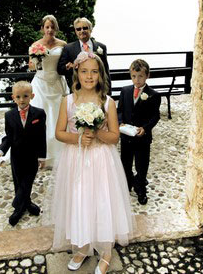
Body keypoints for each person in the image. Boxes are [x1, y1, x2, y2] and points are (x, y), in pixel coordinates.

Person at [51, 51, 133, 274]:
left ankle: (106, 251)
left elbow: (114, 136)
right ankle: (83, 247)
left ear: (100, 74)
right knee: (80, 201)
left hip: (101, 159)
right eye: (84, 71)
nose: (89, 76)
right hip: (75, 159)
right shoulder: (67, 101)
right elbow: (59, 133)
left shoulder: (108, 103)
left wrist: (96, 133)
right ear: (76, 73)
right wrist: (78, 137)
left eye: (94, 72)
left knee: (101, 201)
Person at [0, 81, 47, 226]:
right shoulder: (9, 115)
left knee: (27, 181)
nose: (22, 100)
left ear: (32, 96)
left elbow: (42, 136)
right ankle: (26, 204)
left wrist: (42, 156)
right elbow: (8, 137)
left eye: (25, 96)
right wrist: (0, 150)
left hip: (32, 156)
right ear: (13, 97)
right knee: (19, 182)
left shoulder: (39, 114)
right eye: (18, 96)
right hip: (16, 156)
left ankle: (17, 205)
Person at [117, 59, 161, 205]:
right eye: (134, 76)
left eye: (140, 76)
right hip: (126, 137)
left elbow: (155, 116)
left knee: (142, 165)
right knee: (125, 163)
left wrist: (146, 128)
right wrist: (120, 122)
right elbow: (120, 111)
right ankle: (128, 184)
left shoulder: (153, 95)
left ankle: (141, 188)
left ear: (147, 76)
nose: (137, 80)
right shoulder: (125, 91)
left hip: (142, 139)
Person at [28, 15, 69, 168]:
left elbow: (64, 63)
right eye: (47, 27)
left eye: (52, 26)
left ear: (56, 28)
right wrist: (36, 60)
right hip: (41, 84)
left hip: (58, 83)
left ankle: (59, 154)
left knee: (59, 116)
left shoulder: (63, 45)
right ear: (42, 29)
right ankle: (40, 154)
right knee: (40, 119)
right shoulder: (35, 45)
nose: (50, 29)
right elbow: (31, 66)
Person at [57, 17, 111, 93]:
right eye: (78, 29)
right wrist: (69, 67)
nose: (82, 31)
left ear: (90, 29)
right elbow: (60, 69)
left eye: (85, 28)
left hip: (98, 89)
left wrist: (108, 92)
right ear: (75, 31)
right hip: (77, 90)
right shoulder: (68, 48)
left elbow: (105, 71)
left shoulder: (101, 47)